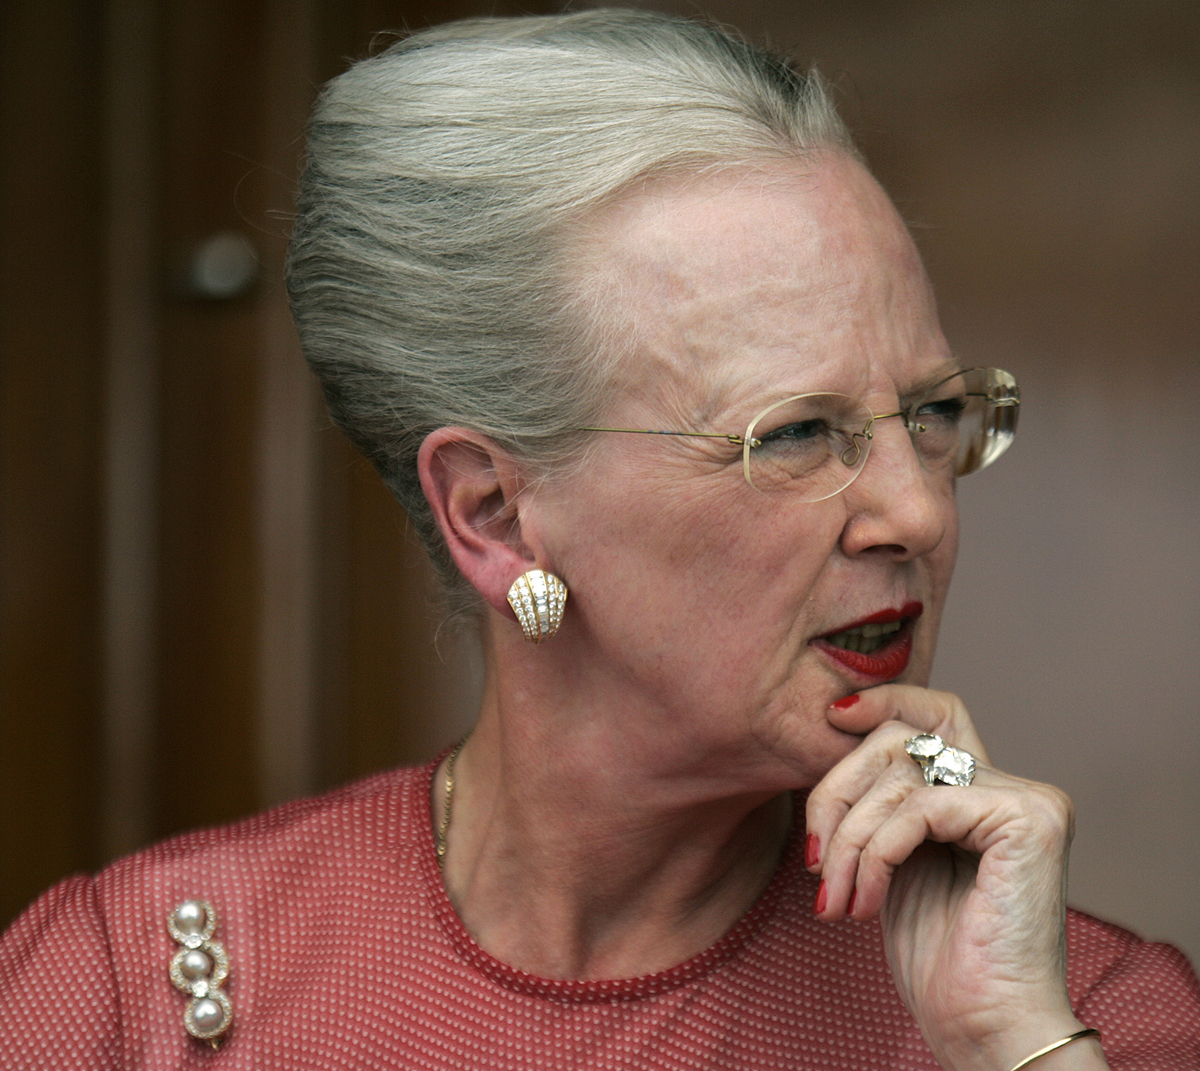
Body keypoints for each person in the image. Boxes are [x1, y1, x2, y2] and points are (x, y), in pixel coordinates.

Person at [2, 9, 1198, 1070]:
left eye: (932, 415)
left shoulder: (1079, 1013)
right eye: (794, 435)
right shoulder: (128, 998)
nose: (921, 512)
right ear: (496, 516)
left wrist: (1009, 1047)